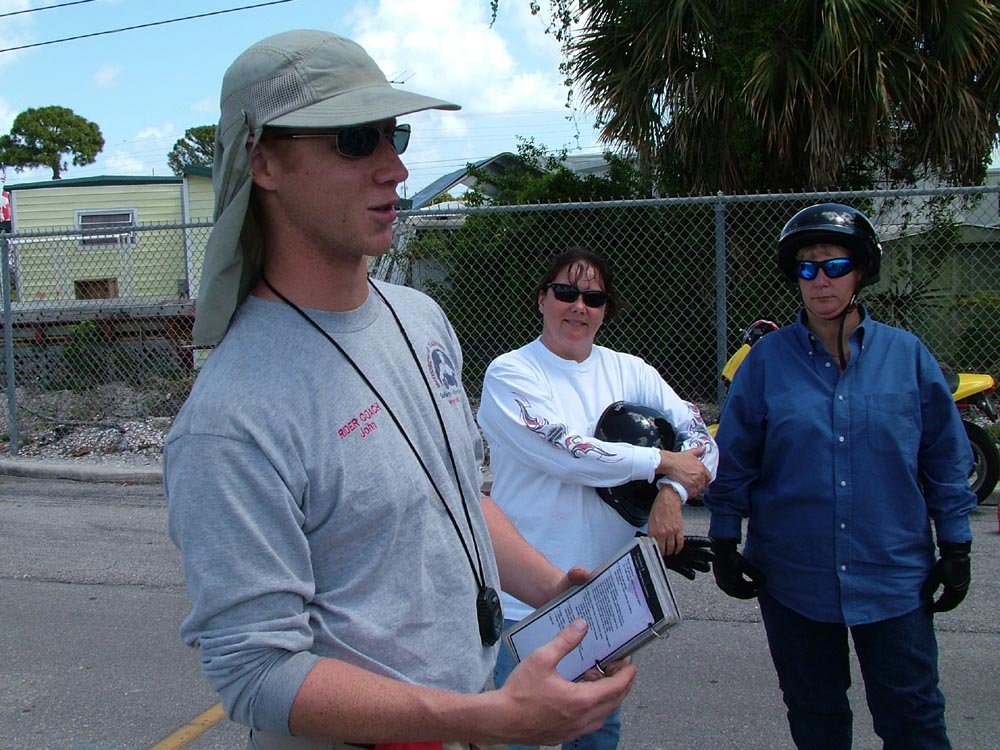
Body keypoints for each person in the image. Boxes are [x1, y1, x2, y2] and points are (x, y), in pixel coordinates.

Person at [164, 30, 637, 750]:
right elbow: (256, 673)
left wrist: (551, 589)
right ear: (263, 162)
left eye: (394, 134)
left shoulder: (420, 319)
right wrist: (486, 718)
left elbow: (456, 494)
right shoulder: (233, 417)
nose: (395, 167)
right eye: (356, 140)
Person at [704, 203, 976, 750]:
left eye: (834, 266)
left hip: (893, 576)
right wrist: (725, 540)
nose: (820, 280)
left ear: (861, 271)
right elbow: (735, 459)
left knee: (914, 717)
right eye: (807, 268)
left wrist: (956, 544)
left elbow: (945, 458)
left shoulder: (907, 356)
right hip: (793, 577)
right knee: (816, 717)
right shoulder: (765, 362)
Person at [477, 247, 717, 750]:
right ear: (542, 299)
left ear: (607, 309)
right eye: (565, 293)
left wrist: (671, 493)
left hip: (609, 598)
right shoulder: (510, 373)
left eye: (593, 298)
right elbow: (565, 452)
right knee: (517, 734)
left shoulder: (632, 371)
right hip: (527, 602)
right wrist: (661, 461)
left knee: (596, 735)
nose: (578, 307)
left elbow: (702, 444)